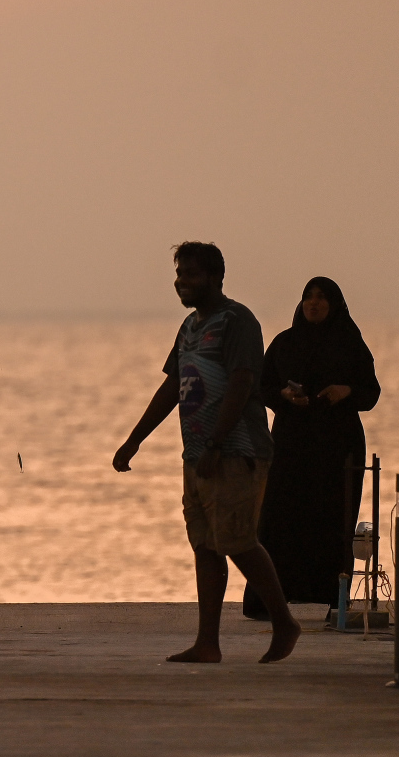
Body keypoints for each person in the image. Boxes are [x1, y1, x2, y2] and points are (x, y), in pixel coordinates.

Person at [112, 242, 300, 664]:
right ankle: (207, 643)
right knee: (205, 545)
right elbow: (172, 387)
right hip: (196, 456)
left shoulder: (238, 321)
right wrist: (135, 438)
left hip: (237, 451)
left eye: (192, 274)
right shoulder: (189, 328)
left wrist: (217, 443)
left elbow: (242, 382)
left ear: (216, 278)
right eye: (179, 274)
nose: (183, 282)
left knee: (238, 540)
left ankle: (284, 622)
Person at [245, 277, 381, 616]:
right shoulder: (285, 343)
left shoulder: (350, 344)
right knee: (279, 515)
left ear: (334, 305)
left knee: (332, 515)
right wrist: (284, 395)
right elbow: (261, 386)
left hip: (337, 446)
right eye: (308, 296)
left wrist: (345, 390)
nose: (313, 303)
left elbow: (371, 391)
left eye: (321, 298)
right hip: (291, 443)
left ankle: (329, 596)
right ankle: (270, 598)